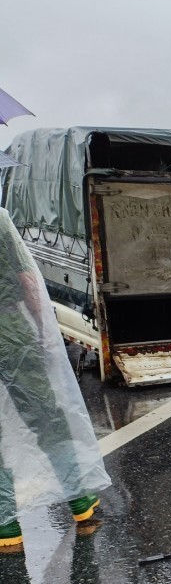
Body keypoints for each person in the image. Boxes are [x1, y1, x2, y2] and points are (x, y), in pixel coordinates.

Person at [0, 208, 112, 554]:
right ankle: (80, 503)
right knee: (47, 417)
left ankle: (6, 525)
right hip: (10, 332)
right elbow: (28, 279)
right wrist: (46, 333)